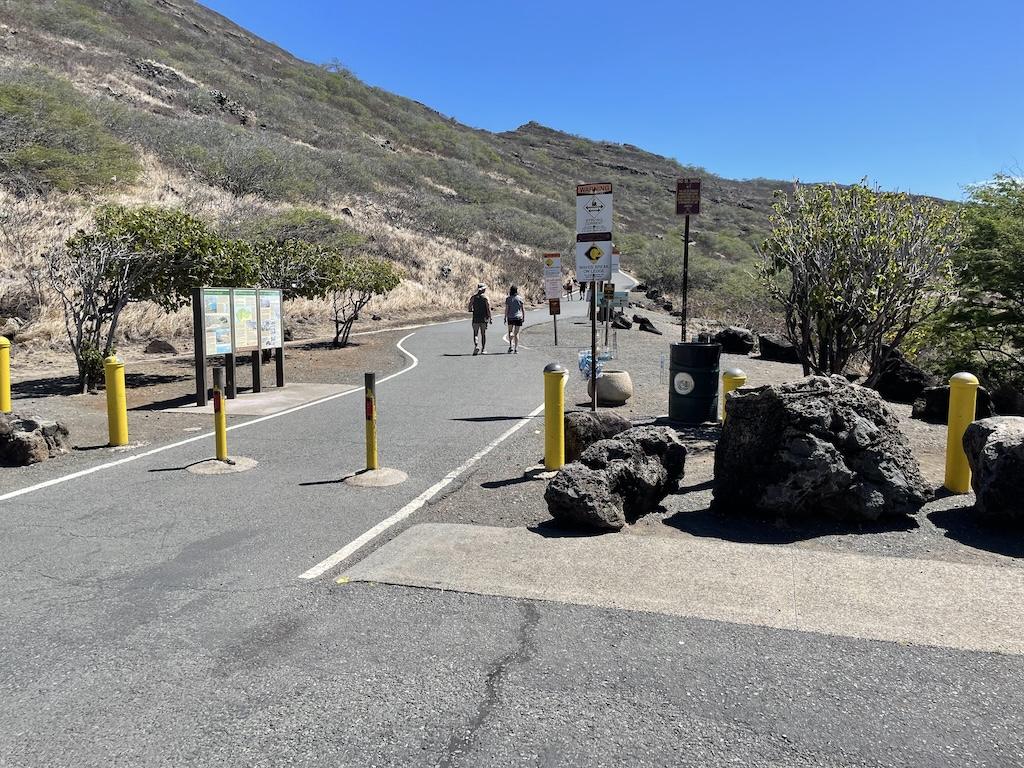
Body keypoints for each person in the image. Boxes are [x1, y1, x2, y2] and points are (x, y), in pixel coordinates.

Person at [467, 282, 492, 355]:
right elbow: (488, 308)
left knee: (475, 333)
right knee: (483, 334)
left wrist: (472, 310)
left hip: (476, 317)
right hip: (484, 318)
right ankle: (483, 349)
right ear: (483, 289)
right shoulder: (485, 298)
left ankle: (476, 345)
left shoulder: (473, 297)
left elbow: (469, 307)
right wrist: (490, 318)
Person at [504, 285, 525, 354]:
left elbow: (507, 309)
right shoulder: (520, 298)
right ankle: (516, 348)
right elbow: (522, 309)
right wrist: (523, 317)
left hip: (510, 317)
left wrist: (505, 317)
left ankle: (511, 346)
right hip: (518, 317)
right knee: (517, 333)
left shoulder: (508, 299)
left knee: (510, 331)